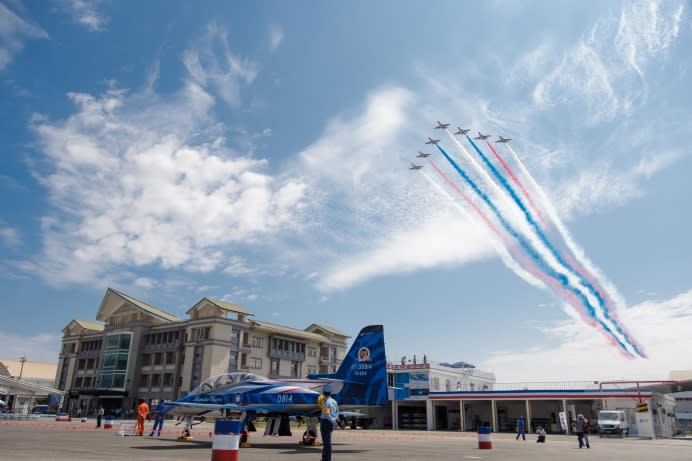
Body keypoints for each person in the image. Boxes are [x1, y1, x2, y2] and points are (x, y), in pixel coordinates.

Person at [317, 384, 339, 461]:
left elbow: (327, 414)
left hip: (325, 422)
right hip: (330, 423)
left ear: (324, 392)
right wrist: (335, 421)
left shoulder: (325, 402)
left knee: (326, 442)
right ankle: (324, 458)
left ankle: (327, 459)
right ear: (330, 393)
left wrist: (333, 421)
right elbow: (337, 412)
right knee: (327, 441)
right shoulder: (334, 402)